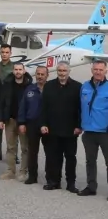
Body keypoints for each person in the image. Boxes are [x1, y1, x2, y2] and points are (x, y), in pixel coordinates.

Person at [40, 62, 81, 192]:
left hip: (70, 130)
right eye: (59, 70)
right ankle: (54, 181)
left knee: (70, 158)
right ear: (56, 71)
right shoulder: (49, 86)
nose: (62, 73)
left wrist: (79, 126)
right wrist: (43, 124)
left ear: (69, 72)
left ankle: (71, 184)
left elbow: (80, 109)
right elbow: (43, 108)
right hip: (52, 129)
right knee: (53, 157)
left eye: (64, 71)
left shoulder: (77, 87)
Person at [77, 60, 108, 199]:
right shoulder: (84, 87)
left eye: (101, 70)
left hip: (104, 132)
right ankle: (91, 186)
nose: (98, 72)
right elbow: (79, 108)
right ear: (92, 70)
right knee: (90, 161)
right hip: (88, 131)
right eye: (95, 69)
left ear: (105, 71)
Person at [0, 63, 32, 181]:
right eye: (16, 69)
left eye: (20, 69)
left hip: (23, 122)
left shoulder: (29, 86)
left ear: (24, 71)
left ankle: (23, 171)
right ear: (13, 71)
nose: (18, 71)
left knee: (25, 148)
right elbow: (1, 102)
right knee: (10, 147)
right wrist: (1, 119)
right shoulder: (7, 84)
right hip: (10, 120)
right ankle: (10, 171)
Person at [18, 66, 48, 185]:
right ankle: (32, 176)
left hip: (47, 124)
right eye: (38, 74)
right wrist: (21, 122)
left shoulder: (51, 89)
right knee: (32, 152)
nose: (40, 76)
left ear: (47, 75)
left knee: (49, 152)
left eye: (42, 74)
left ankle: (50, 177)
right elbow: (23, 107)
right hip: (32, 124)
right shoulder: (29, 89)